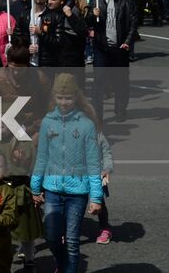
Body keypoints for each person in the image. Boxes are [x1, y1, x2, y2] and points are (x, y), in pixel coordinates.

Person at [30, 74, 103, 273]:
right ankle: (62, 265)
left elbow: (93, 163)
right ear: (54, 97)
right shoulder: (47, 122)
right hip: (52, 189)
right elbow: (42, 157)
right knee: (51, 236)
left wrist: (96, 197)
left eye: (69, 98)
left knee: (72, 240)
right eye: (60, 98)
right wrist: (35, 187)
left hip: (77, 192)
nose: (64, 102)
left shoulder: (86, 125)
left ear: (76, 97)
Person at [89, 0, 137, 124]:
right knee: (99, 83)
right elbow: (87, 24)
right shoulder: (97, 3)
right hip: (101, 48)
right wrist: (92, 15)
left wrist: (128, 41)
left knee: (121, 82)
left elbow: (133, 24)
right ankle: (97, 114)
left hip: (119, 48)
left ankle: (120, 110)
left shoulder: (125, 2)